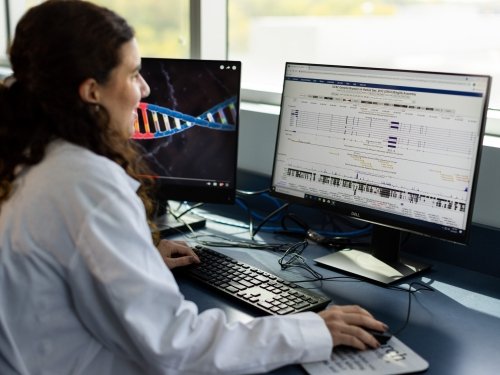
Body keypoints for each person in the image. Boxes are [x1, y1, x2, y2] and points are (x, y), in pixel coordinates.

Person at [0, 1, 388, 374]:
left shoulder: (31, 157)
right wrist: (314, 330)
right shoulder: (86, 186)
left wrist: (136, 256)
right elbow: (175, 347)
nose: (146, 89)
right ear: (92, 91)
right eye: (134, 73)